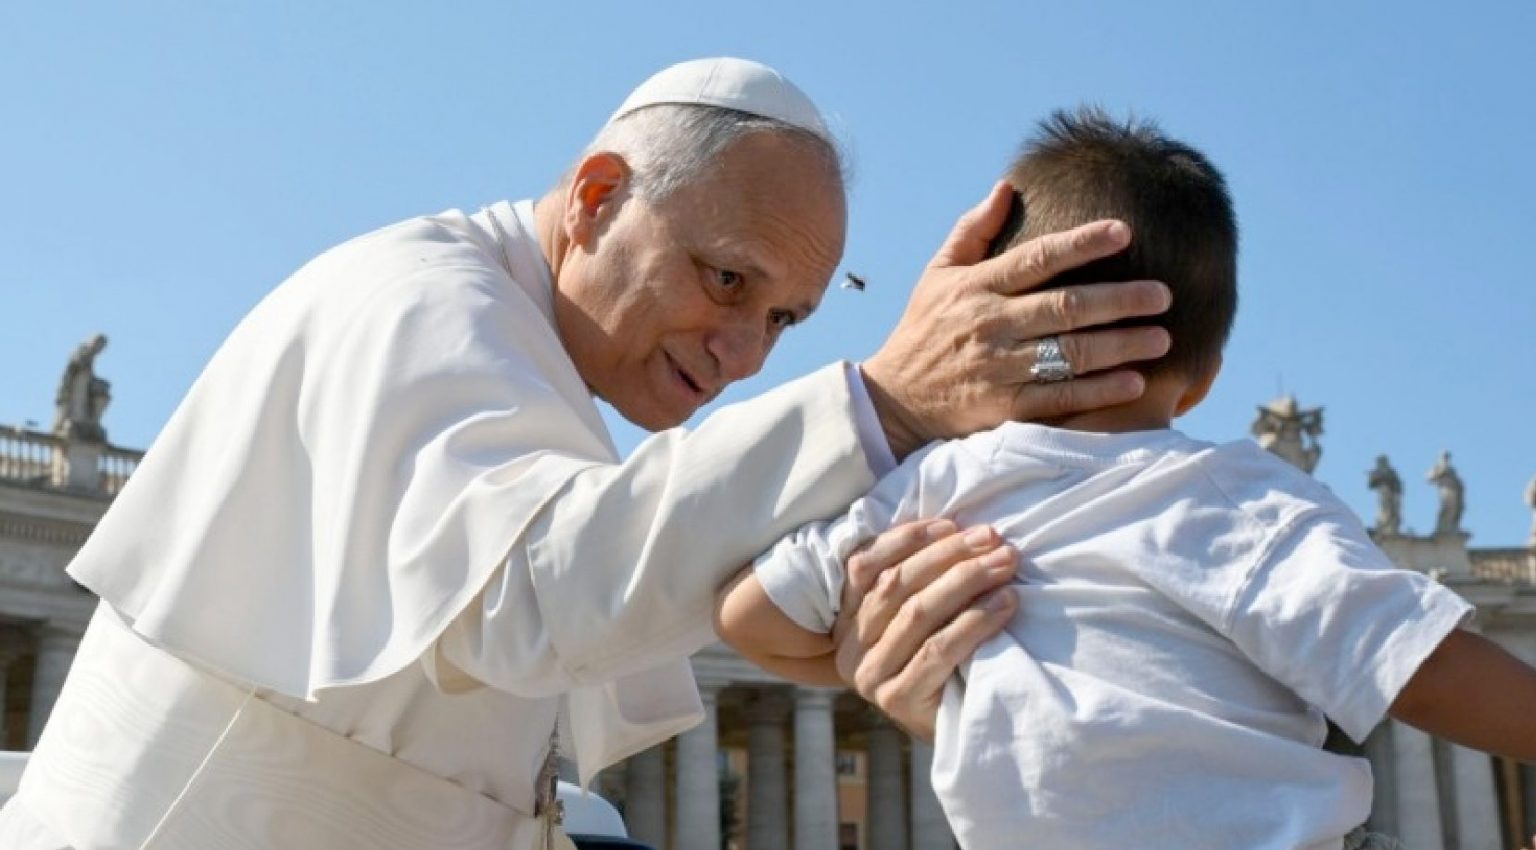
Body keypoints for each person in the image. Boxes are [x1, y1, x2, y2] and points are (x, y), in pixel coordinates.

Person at [0, 61, 1174, 849]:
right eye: (727, 279)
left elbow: (593, 630)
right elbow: (526, 592)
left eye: (784, 320)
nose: (744, 352)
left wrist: (843, 622)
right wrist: (882, 402)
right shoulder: (425, 301)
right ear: (599, 197)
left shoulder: (535, 373)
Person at [716, 107, 1536, 850]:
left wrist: (888, 664)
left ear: (991, 326)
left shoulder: (928, 494)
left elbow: (747, 614)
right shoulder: (1241, 502)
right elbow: (1422, 666)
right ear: (1203, 378)